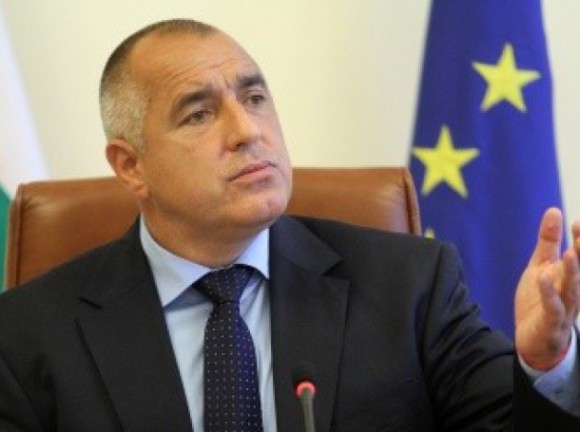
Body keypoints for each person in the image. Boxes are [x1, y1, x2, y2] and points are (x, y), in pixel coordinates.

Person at [0, 18, 579, 432]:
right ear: (131, 166)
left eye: (254, 98)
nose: (247, 131)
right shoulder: (27, 336)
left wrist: (547, 365)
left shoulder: (409, 285)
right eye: (198, 114)